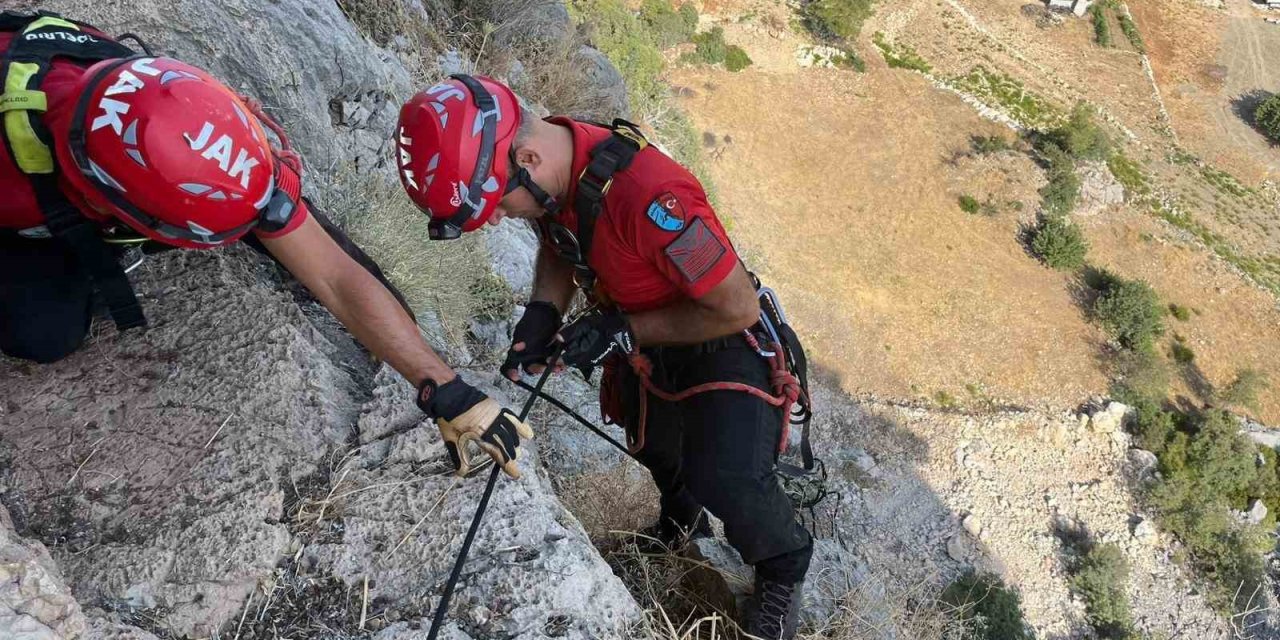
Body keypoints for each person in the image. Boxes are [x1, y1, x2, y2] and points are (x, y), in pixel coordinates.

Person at [0, 11, 532, 480]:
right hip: (32, 190)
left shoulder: (182, 111)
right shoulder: (16, 189)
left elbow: (336, 276)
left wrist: (447, 390)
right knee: (44, 331)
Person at [395, 74, 813, 639]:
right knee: (657, 447)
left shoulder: (653, 198)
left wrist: (622, 327)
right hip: (646, 337)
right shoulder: (554, 170)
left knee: (726, 476)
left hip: (718, 337)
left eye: (495, 203)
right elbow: (558, 240)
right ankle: (680, 521)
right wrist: (544, 311)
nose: (495, 218)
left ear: (527, 158)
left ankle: (783, 566)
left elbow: (735, 307)